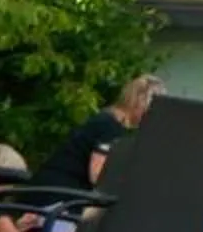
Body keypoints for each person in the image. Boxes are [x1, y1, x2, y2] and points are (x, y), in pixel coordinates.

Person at [30, 73, 162, 195]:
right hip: (60, 192)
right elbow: (97, 175)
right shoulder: (110, 127)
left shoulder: (108, 121)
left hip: (54, 187)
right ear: (139, 102)